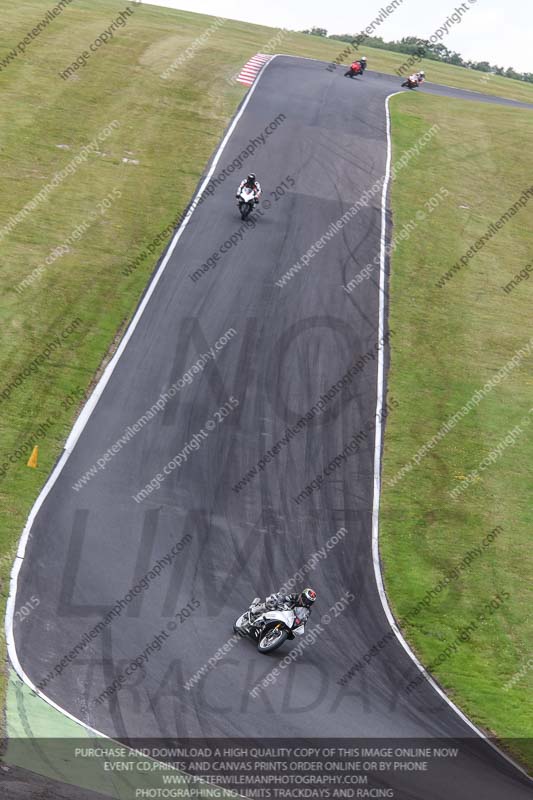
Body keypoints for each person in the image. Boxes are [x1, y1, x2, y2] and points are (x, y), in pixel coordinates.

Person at [249, 588, 317, 620]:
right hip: (282, 608)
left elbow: (303, 621)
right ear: (302, 596)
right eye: (306, 600)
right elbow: (284, 599)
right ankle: (256, 608)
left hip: (289, 618)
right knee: (273, 603)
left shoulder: (307, 611)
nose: (307, 603)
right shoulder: (295, 596)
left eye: (310, 602)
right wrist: (280, 604)